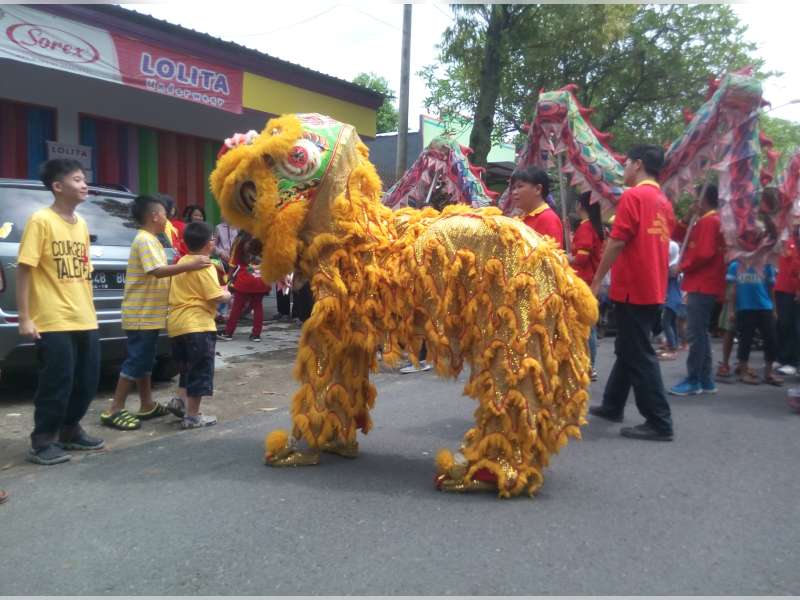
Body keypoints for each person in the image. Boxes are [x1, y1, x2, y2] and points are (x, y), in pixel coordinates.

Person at [17, 158, 104, 465]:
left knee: (87, 378)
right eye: (78, 179)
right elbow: (25, 269)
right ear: (58, 186)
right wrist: (25, 317)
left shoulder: (80, 224)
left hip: (84, 315)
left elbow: (84, 272)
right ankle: (42, 441)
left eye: (84, 179)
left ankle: (70, 429)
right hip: (52, 318)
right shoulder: (41, 220)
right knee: (57, 380)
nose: (85, 185)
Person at [588, 145, 675, 442]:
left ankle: (659, 422)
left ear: (637, 165)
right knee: (628, 349)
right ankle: (613, 405)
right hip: (651, 285)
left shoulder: (634, 195)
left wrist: (597, 279)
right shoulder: (663, 200)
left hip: (634, 287)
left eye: (625, 164)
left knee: (639, 353)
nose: (624, 169)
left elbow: (616, 242)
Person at [101, 195, 210, 431]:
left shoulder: (153, 240)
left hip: (150, 314)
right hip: (141, 313)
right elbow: (157, 271)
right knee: (136, 361)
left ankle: (146, 404)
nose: (168, 217)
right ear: (155, 216)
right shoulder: (145, 240)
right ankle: (115, 409)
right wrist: (189, 265)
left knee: (146, 361)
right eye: (164, 213)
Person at [165, 222, 231, 429]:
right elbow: (215, 296)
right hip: (198, 325)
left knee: (186, 368)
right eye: (212, 238)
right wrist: (227, 293)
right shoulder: (205, 264)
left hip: (177, 324)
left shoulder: (183, 261)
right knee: (200, 371)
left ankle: (180, 402)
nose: (214, 241)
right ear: (208, 243)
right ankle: (193, 416)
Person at [669, 184, 726, 396]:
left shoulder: (710, 222)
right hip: (702, 283)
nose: (694, 202)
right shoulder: (704, 220)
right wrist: (686, 218)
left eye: (696, 198)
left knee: (695, 333)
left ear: (703, 199)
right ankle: (705, 379)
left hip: (703, 283)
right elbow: (676, 235)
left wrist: (681, 266)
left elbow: (704, 253)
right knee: (700, 333)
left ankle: (694, 379)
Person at [727, 258, 783, 385]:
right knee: (745, 341)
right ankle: (743, 373)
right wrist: (731, 310)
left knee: (771, 340)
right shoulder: (735, 266)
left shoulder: (767, 266)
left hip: (765, 307)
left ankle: (768, 373)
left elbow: (771, 289)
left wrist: (774, 309)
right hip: (744, 308)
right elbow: (732, 290)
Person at [569, 191, 604, 379]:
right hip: (589, 280)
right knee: (589, 325)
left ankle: (589, 366)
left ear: (580, 206)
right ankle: (589, 365)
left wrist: (567, 258)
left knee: (586, 326)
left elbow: (581, 258)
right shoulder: (592, 227)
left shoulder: (586, 227)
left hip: (584, 281)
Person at [219, 231, 269, 342]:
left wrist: (230, 278)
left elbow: (233, 261)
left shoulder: (242, 238)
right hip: (260, 278)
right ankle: (256, 335)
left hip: (244, 278)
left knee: (237, 306)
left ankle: (228, 333)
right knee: (258, 306)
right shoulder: (263, 237)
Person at [511, 166, 564, 248]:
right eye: (513, 188)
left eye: (520, 186)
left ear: (538, 189)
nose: (514, 192)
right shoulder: (520, 217)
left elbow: (553, 258)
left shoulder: (548, 218)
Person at [773, 231, 800, 376]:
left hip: (793, 289)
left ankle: (793, 362)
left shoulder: (795, 242)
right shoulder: (787, 240)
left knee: (793, 326)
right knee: (782, 324)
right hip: (782, 287)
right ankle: (783, 357)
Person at [659, 239, 683, 361]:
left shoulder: (673, 267)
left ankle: (673, 348)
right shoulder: (675, 265)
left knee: (666, 323)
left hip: (671, 298)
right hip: (675, 298)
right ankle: (674, 345)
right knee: (672, 323)